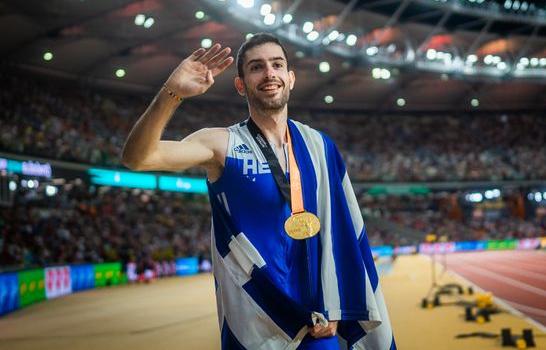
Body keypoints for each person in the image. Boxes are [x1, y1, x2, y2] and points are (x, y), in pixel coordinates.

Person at [122, 33, 395, 349]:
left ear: (290, 78)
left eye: (277, 65)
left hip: (320, 325)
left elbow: (342, 234)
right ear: (241, 85)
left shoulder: (320, 147)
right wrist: (172, 94)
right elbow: (138, 158)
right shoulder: (221, 144)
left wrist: (336, 303)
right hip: (258, 325)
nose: (269, 73)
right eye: (256, 67)